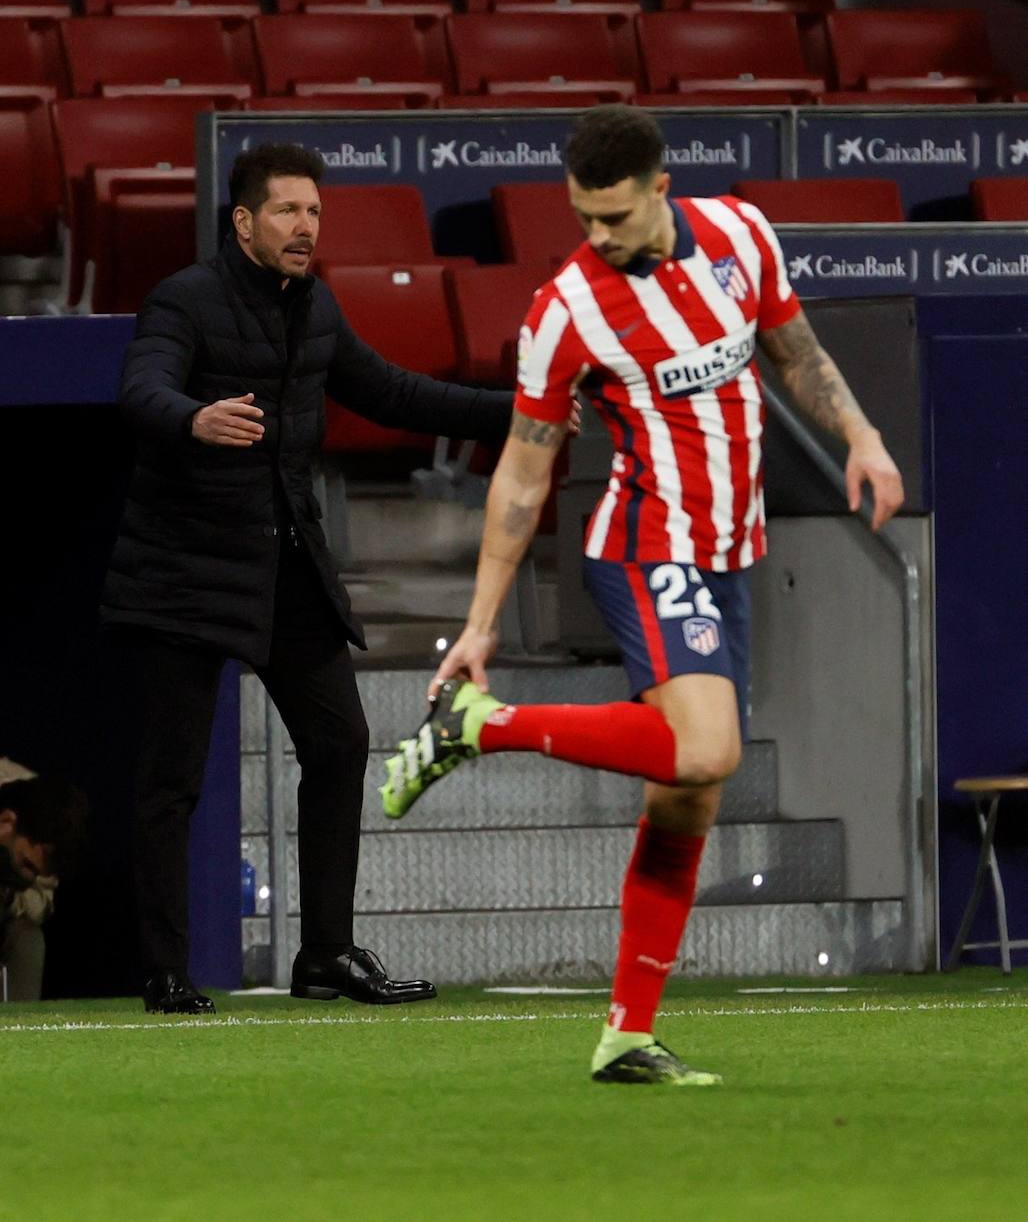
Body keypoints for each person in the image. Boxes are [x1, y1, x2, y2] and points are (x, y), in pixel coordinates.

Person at [382, 104, 904, 1085]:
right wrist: (478, 627)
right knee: (708, 748)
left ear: (662, 189)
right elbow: (522, 474)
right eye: (581, 216)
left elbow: (794, 352)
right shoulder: (566, 310)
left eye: (612, 217)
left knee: (686, 794)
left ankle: (626, 1034)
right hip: (642, 543)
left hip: (725, 552)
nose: (596, 236)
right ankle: (479, 725)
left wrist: (862, 438)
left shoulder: (742, 235)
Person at [102, 142, 514, 1015]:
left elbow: (393, 393)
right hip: (189, 568)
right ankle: (165, 969)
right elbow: (140, 390)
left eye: (315, 212)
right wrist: (193, 419)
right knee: (171, 779)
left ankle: (325, 953)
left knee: (339, 743)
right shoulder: (186, 299)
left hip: (287, 563)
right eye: (287, 211)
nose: (305, 228)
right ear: (244, 222)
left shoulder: (315, 305)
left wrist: (523, 413)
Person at [0, 766, 88, 1001]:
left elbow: (41, 900)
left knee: (28, 939)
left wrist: (8, 899)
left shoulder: (46, 805)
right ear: (6, 821)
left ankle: (19, 1031)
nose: (28, 877)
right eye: (26, 864)